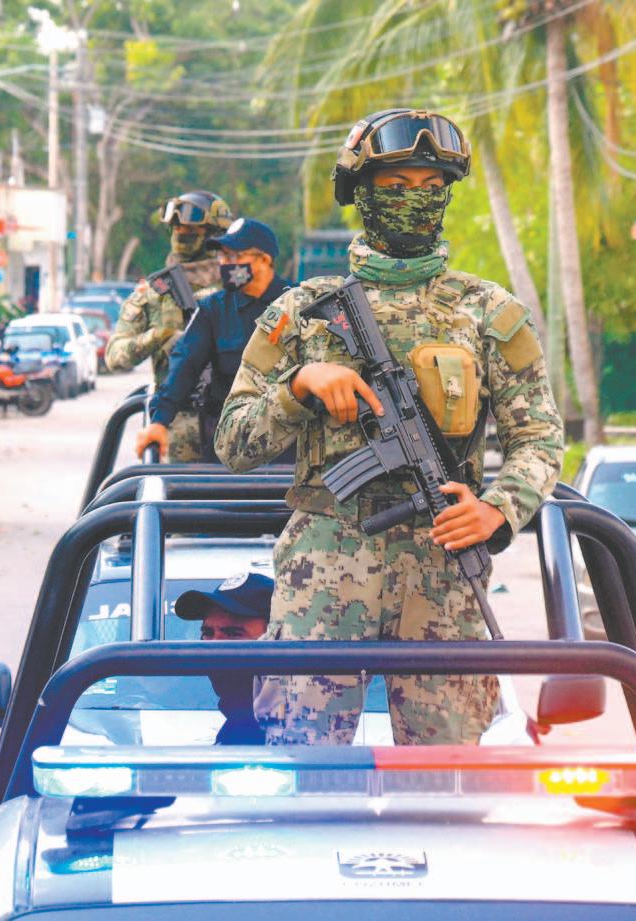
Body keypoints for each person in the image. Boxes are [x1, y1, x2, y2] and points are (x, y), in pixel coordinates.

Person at [214, 109, 564, 746]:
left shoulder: (489, 312)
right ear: (361, 193)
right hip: (325, 557)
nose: (416, 200)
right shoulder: (301, 312)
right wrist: (299, 387)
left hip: (443, 558)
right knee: (300, 761)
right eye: (397, 186)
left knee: (448, 771)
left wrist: (498, 509)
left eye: (432, 186)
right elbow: (233, 443)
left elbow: (538, 438)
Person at [134, 218, 291, 462]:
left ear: (264, 259)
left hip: (289, 448)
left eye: (233, 256)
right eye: (222, 256)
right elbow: (184, 366)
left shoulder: (296, 304)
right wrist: (159, 421)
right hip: (231, 447)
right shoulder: (213, 309)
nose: (224, 264)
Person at [106, 190, 232, 462]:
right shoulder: (154, 292)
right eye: (176, 228)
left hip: (234, 426)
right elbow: (115, 357)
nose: (181, 234)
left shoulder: (238, 287)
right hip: (173, 430)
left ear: (213, 233)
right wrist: (158, 337)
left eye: (190, 229)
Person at [174, 572, 272, 745]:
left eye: (233, 633)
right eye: (208, 633)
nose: (214, 647)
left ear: (273, 637)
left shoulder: (285, 724)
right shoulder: (239, 722)